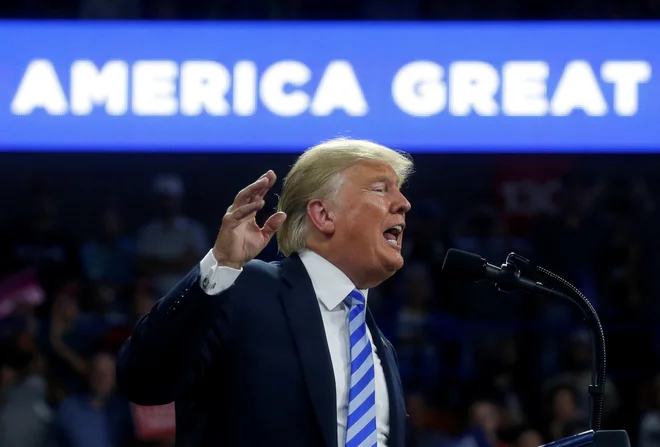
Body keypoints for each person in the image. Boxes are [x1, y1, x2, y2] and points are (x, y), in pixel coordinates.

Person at [116, 138, 414, 447]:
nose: (404, 203)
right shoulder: (245, 288)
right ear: (324, 215)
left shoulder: (378, 346)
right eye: (380, 189)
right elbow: (143, 379)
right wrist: (221, 265)